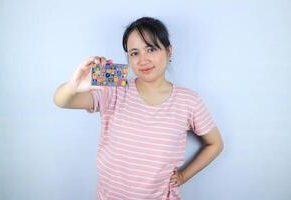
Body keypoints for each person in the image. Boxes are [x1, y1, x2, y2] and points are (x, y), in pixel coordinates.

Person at [53, 17, 224, 200]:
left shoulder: (189, 101)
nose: (143, 60)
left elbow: (215, 144)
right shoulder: (114, 88)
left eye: (151, 49)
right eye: (134, 53)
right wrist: (76, 84)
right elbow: (61, 101)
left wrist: (183, 176)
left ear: (168, 51)